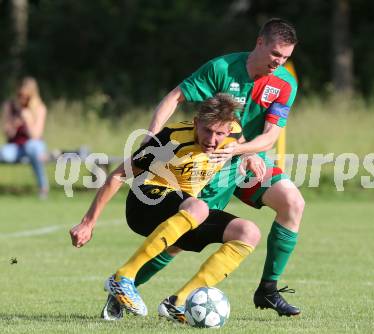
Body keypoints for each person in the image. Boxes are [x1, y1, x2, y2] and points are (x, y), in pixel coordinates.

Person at [127, 18, 305, 318]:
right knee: (179, 242)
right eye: (276, 54)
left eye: (286, 57)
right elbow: (175, 97)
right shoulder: (222, 69)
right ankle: (126, 286)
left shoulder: (285, 83)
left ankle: (268, 289)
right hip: (207, 167)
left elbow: (271, 135)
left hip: (248, 161)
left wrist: (241, 150)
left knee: (293, 203)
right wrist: (151, 138)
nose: (280, 62)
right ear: (259, 42)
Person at [69, 94, 264, 319]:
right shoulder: (171, 139)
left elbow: (240, 142)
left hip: (184, 208)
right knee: (199, 208)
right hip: (144, 202)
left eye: (219, 133)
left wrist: (249, 154)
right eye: (207, 131)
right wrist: (87, 223)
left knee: (248, 232)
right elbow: (119, 175)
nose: (212, 139)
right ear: (195, 122)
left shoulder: (234, 132)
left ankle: (178, 303)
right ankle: (123, 277)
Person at [0, 77, 49, 198]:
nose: (22, 98)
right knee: (3, 153)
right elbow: (7, 133)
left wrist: (27, 119)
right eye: (20, 95)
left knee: (32, 147)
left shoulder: (40, 108)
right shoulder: (9, 106)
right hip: (16, 146)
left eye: (26, 96)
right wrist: (13, 125)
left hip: (34, 145)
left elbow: (36, 135)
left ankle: (43, 187)